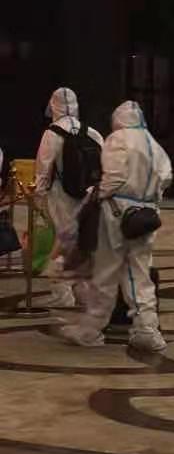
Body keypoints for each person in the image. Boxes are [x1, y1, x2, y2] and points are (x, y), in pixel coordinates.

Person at [62, 101, 172, 352]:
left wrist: (98, 196)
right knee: (139, 274)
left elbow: (114, 177)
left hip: (116, 212)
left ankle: (91, 330)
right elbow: (166, 178)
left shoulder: (118, 139)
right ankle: (147, 330)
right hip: (146, 214)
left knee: (106, 272)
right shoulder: (154, 144)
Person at [34, 87, 103, 309]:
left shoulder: (52, 134)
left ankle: (62, 293)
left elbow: (43, 170)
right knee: (82, 243)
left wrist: (39, 200)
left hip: (61, 196)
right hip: (88, 197)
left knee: (62, 243)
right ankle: (83, 292)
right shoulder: (91, 132)